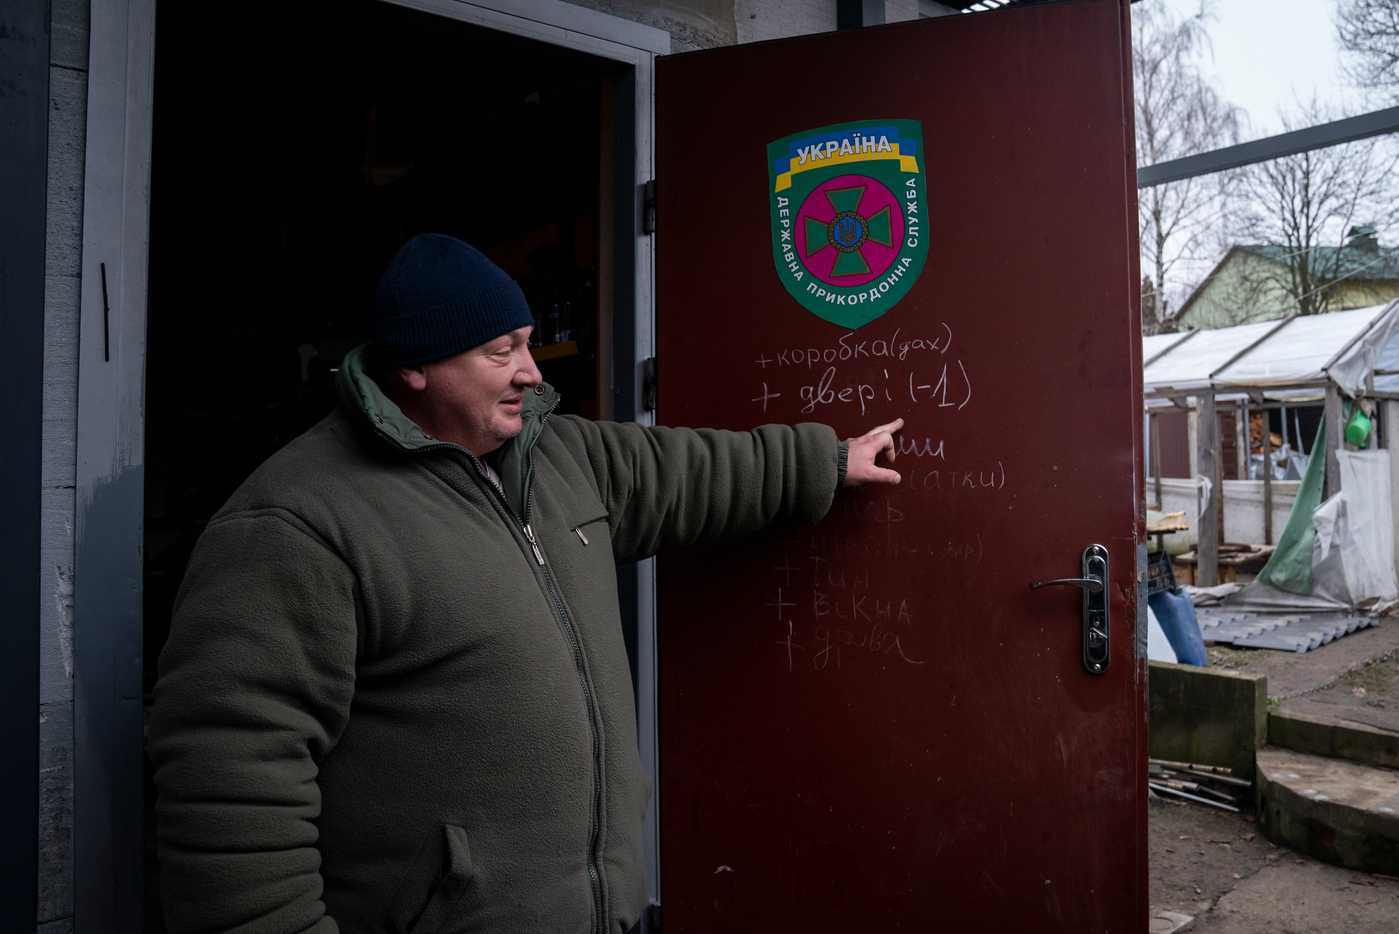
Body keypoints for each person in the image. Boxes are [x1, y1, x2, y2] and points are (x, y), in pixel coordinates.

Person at [148, 233, 903, 934]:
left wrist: (827, 463)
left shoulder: (563, 457)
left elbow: (692, 472)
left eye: (529, 345)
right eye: (499, 351)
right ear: (415, 367)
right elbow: (229, 780)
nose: (532, 372)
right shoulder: (299, 522)